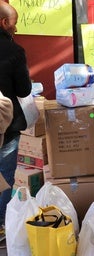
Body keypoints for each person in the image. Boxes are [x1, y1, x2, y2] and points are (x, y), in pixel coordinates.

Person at [0, 0, 32, 239]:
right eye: (14, 24)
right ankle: (2, 223)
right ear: (3, 23)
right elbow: (23, 90)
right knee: (5, 174)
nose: (16, 29)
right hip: (5, 125)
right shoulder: (13, 50)